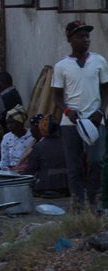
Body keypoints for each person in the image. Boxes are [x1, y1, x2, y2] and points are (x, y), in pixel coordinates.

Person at [51, 19, 108, 212]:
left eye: (87, 36)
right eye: (80, 36)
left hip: (95, 120)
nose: (85, 40)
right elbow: (57, 96)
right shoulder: (61, 66)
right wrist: (67, 111)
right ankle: (77, 202)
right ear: (69, 38)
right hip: (71, 123)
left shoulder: (99, 61)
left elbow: (105, 89)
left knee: (95, 160)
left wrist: (101, 111)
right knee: (74, 165)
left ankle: (94, 198)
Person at [16, 115, 69, 197]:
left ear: (41, 129)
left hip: (47, 188)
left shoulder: (39, 147)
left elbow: (30, 171)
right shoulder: (68, 145)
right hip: (68, 187)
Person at [0, 106, 35, 170]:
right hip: (10, 170)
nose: (9, 126)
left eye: (12, 122)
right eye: (8, 123)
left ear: (21, 122)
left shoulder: (32, 136)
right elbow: (4, 160)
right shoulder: (7, 137)